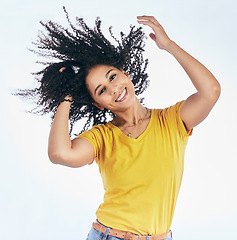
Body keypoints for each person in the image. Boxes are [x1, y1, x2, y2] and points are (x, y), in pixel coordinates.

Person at [17, 12, 220, 240]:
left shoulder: (171, 121)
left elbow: (211, 91)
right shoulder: (103, 137)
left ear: (125, 73)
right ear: (98, 104)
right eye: (101, 90)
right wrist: (67, 94)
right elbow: (59, 153)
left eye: (112, 77)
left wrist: (169, 45)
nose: (113, 89)